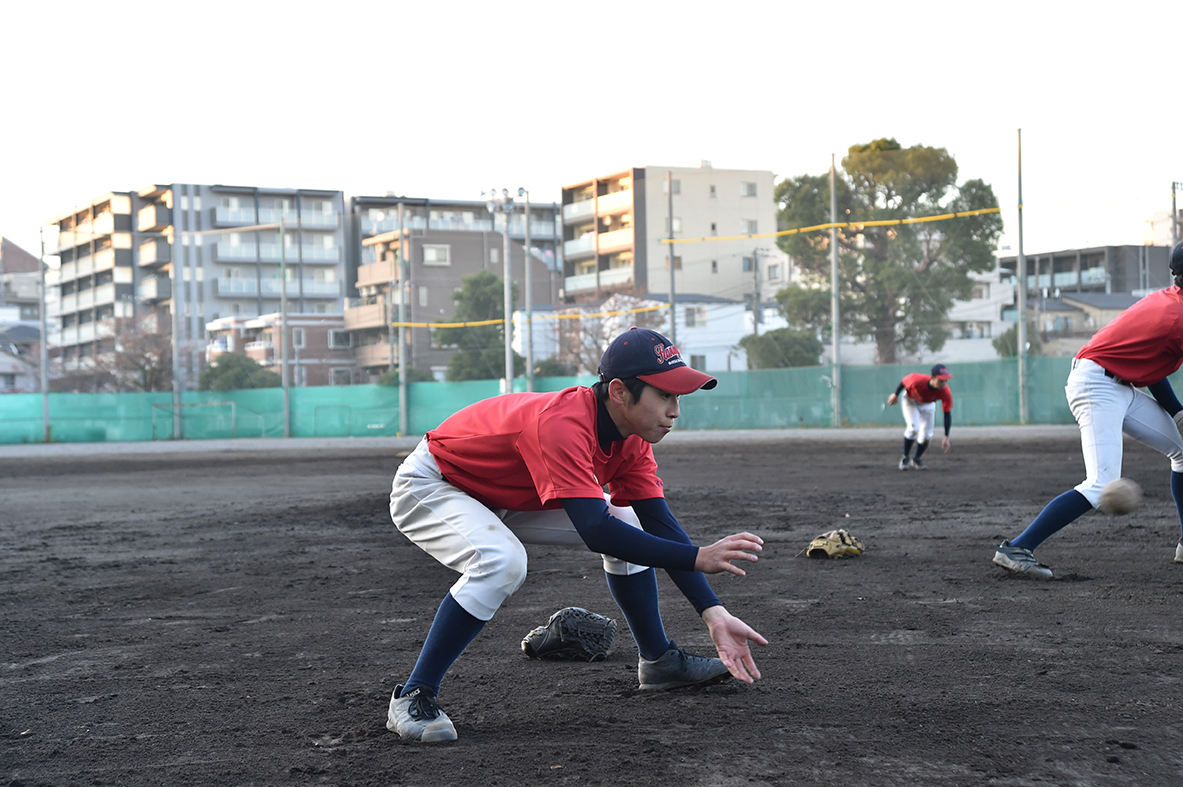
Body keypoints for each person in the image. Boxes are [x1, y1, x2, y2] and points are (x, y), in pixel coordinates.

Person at [385, 327, 769, 743]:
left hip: (508, 493)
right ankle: (413, 695)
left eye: (678, 397)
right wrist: (697, 557)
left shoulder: (632, 441)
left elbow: (659, 523)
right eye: (665, 395)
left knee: (631, 519)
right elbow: (596, 530)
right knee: (502, 561)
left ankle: (659, 662)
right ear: (620, 391)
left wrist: (713, 613)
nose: (675, 410)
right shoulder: (563, 424)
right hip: (436, 485)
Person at [993, 241, 1183, 579]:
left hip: (1118, 386)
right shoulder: (1176, 315)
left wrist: (1178, 413)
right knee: (1101, 483)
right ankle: (1017, 547)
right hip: (1097, 386)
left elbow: (1153, 366)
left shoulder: (1169, 299)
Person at [886, 363, 954, 470]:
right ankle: (905, 458)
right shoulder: (917, 380)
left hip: (928, 405)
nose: (944, 383)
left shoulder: (945, 392)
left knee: (927, 435)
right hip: (910, 401)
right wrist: (895, 394)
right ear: (932, 378)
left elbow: (947, 413)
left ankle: (916, 459)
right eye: (941, 380)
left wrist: (946, 436)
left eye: (946, 380)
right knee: (914, 428)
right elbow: (904, 381)